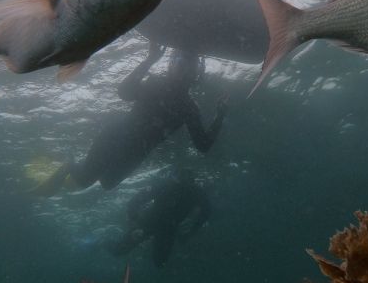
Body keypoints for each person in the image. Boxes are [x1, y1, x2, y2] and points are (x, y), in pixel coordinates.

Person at [33, 43, 227, 195]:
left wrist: (220, 115)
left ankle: (76, 169)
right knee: (85, 181)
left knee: (108, 184)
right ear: (171, 66)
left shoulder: (189, 107)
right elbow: (124, 93)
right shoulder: (157, 84)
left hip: (137, 150)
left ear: (197, 72)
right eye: (180, 64)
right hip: (116, 136)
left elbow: (203, 146)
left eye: (188, 67)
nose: (184, 70)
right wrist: (149, 60)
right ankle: (70, 165)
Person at [105, 168, 211, 267]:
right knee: (119, 251)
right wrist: (134, 219)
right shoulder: (170, 187)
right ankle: (103, 242)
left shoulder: (194, 192)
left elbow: (136, 201)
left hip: (164, 227)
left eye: (187, 178)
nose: (183, 182)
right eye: (181, 177)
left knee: (160, 262)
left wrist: (190, 232)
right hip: (151, 223)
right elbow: (135, 201)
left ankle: (144, 250)